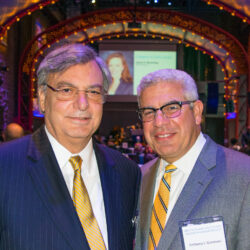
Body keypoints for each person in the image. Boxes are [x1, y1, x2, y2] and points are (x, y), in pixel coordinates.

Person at [0, 43, 141, 250]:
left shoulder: (126, 172)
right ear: (42, 96)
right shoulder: (5, 167)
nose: (82, 103)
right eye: (67, 90)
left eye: (93, 91)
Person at [134, 69, 250, 250]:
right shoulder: (138, 178)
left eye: (172, 108)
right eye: (149, 112)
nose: (159, 122)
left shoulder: (244, 177)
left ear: (197, 112)